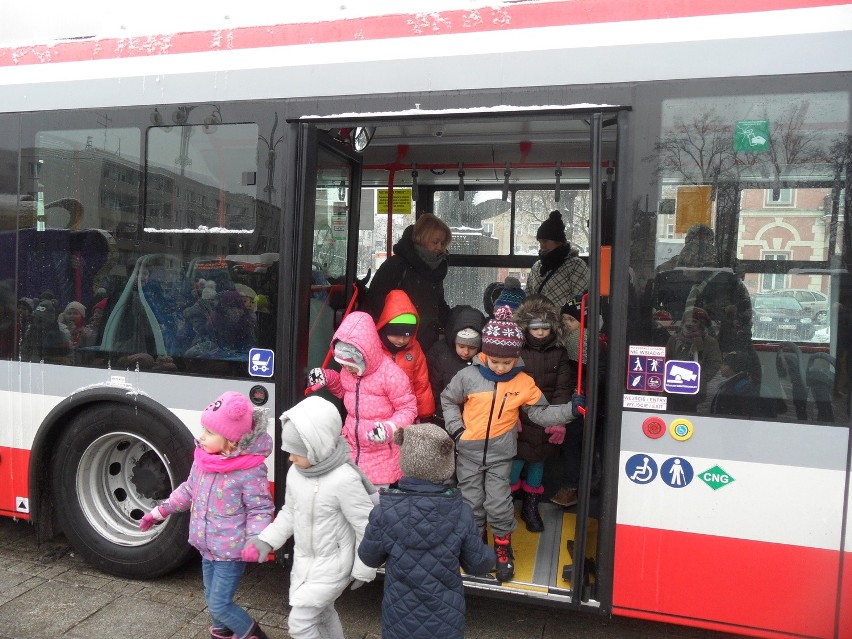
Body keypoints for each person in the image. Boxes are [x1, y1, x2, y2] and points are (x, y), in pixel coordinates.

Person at [441, 305, 576, 582]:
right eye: (495, 361)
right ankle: (476, 546)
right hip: (468, 452)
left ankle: (503, 549)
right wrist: (456, 431)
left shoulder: (524, 382)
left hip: (501, 456)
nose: (501, 367)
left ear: (517, 356)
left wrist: (570, 410)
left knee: (499, 504)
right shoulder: (468, 377)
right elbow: (448, 399)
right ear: (484, 354)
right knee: (471, 503)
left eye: (507, 362)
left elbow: (541, 413)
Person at [138, 392, 274, 639]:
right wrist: (160, 511)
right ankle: (221, 633)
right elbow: (188, 490)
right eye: (204, 429)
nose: (201, 436)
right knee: (211, 598)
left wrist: (257, 539)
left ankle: (252, 634)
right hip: (206, 546)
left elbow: (260, 509)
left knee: (220, 603)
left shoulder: (249, 472)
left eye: (210, 433)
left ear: (231, 441)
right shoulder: (202, 461)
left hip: (230, 552)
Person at [242, 396, 378, 639]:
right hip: (306, 563)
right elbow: (290, 513)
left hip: (334, 565)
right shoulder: (297, 473)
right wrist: (268, 540)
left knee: (300, 624)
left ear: (318, 447)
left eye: (296, 452)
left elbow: (366, 526)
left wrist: (364, 568)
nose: (290, 458)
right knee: (323, 613)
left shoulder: (344, 479)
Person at [358, 423, 495, 639]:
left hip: (399, 621)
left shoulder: (384, 512)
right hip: (445, 622)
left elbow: (368, 557)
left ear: (405, 460)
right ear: (446, 462)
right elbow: (478, 564)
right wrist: (492, 554)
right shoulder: (461, 513)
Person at [308, 311, 417, 487]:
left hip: (381, 456)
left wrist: (390, 428)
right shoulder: (348, 372)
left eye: (350, 365)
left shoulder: (391, 375)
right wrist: (327, 377)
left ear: (366, 355)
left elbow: (408, 409)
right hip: (350, 450)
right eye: (342, 365)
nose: (346, 369)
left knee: (373, 508)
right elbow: (344, 391)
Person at [512, 295, 573, 532]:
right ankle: (507, 504)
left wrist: (558, 419)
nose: (539, 333)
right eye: (534, 327)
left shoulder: (559, 352)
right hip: (519, 416)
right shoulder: (517, 350)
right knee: (514, 462)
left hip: (546, 417)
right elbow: (507, 384)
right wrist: (511, 415)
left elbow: (563, 387)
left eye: (545, 327)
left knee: (538, 463)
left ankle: (530, 507)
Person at [363, 213, 452, 352]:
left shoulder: (436, 269)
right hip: (397, 341)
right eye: (435, 242)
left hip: (427, 341)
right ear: (422, 239)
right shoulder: (396, 265)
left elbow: (438, 305)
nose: (439, 247)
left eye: (442, 243)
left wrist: (459, 322)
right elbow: (376, 301)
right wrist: (396, 332)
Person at [375, 289, 435, 422]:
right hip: (377, 411)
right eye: (396, 334)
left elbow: (421, 382)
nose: (401, 340)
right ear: (385, 328)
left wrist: (424, 413)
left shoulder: (415, 349)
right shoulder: (374, 347)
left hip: (406, 413)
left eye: (407, 335)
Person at [427, 304, 487, 426]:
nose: (466, 352)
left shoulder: (486, 360)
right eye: (461, 346)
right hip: (443, 417)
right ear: (454, 340)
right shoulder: (441, 355)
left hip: (475, 421)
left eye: (472, 348)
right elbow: (433, 387)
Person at [525, 210, 589, 309]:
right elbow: (528, 297)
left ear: (558, 241)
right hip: (537, 322)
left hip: (563, 322)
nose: (542, 246)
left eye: (545, 241)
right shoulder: (537, 267)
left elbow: (580, 301)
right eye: (540, 241)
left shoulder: (576, 266)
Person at [666, 306, 722, 411]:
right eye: (687, 320)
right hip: (672, 387)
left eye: (694, 321)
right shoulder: (674, 339)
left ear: (701, 324)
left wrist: (701, 378)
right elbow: (666, 359)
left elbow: (715, 363)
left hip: (694, 391)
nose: (689, 324)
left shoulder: (709, 342)